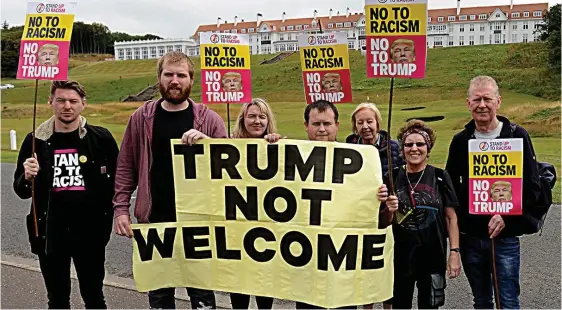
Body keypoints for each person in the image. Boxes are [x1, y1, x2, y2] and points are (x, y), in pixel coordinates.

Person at [112, 51, 227, 309]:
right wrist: (121, 209)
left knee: (203, 299)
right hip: (155, 222)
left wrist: (208, 143)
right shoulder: (141, 118)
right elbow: (126, 166)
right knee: (160, 300)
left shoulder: (209, 119)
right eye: (169, 74)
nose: (175, 80)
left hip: (198, 225)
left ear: (191, 80)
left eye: (181, 75)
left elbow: (230, 168)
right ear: (159, 78)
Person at [13, 80, 119, 309]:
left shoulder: (101, 139)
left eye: (73, 101)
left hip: (90, 232)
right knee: (58, 299)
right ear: (51, 102)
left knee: (94, 296)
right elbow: (20, 190)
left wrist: (113, 216)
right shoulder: (35, 141)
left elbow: (119, 182)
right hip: (50, 232)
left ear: (83, 104)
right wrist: (27, 176)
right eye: (60, 100)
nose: (67, 106)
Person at [445, 76, 541, 309]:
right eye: (476, 99)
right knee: (481, 301)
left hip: (505, 236)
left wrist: (506, 214)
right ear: (468, 103)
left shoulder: (517, 135)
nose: (482, 105)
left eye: (487, 99)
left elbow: (532, 187)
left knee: (507, 301)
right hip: (471, 236)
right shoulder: (460, 141)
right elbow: (450, 190)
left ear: (498, 101)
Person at [295, 100, 395, 309]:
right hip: (306, 263)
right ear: (306, 126)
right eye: (316, 124)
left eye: (327, 123)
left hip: (342, 262)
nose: (322, 129)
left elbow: (376, 217)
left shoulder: (355, 161)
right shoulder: (291, 157)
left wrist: (379, 200)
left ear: (337, 126)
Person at [383, 120, 461, 309]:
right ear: (402, 150)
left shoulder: (440, 177)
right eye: (409, 145)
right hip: (401, 256)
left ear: (428, 148)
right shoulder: (391, 177)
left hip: (433, 254)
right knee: (400, 305)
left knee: (430, 305)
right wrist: (388, 209)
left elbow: (451, 217)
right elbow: (381, 220)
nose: (414, 149)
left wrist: (454, 252)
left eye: (420, 144)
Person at [229, 98, 282, 309]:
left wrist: (276, 147)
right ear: (243, 120)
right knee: (239, 290)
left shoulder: (278, 146)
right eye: (252, 116)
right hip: (237, 233)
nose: (257, 121)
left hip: (266, 233)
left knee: (264, 289)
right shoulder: (227, 146)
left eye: (262, 116)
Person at [345, 102, 404, 177]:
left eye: (369, 122)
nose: (365, 126)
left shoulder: (396, 148)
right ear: (355, 126)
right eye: (360, 123)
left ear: (377, 123)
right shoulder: (348, 149)